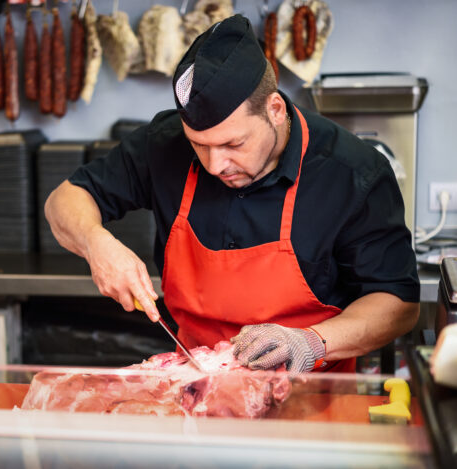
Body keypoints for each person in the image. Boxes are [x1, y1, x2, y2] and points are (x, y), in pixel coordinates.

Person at [45, 14, 419, 373]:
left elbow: (398, 304)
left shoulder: (352, 173)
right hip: (198, 392)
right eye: (199, 145)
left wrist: (310, 342)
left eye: (233, 143)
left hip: (314, 400)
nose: (214, 165)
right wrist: (96, 244)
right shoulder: (165, 145)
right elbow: (65, 199)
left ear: (274, 110)